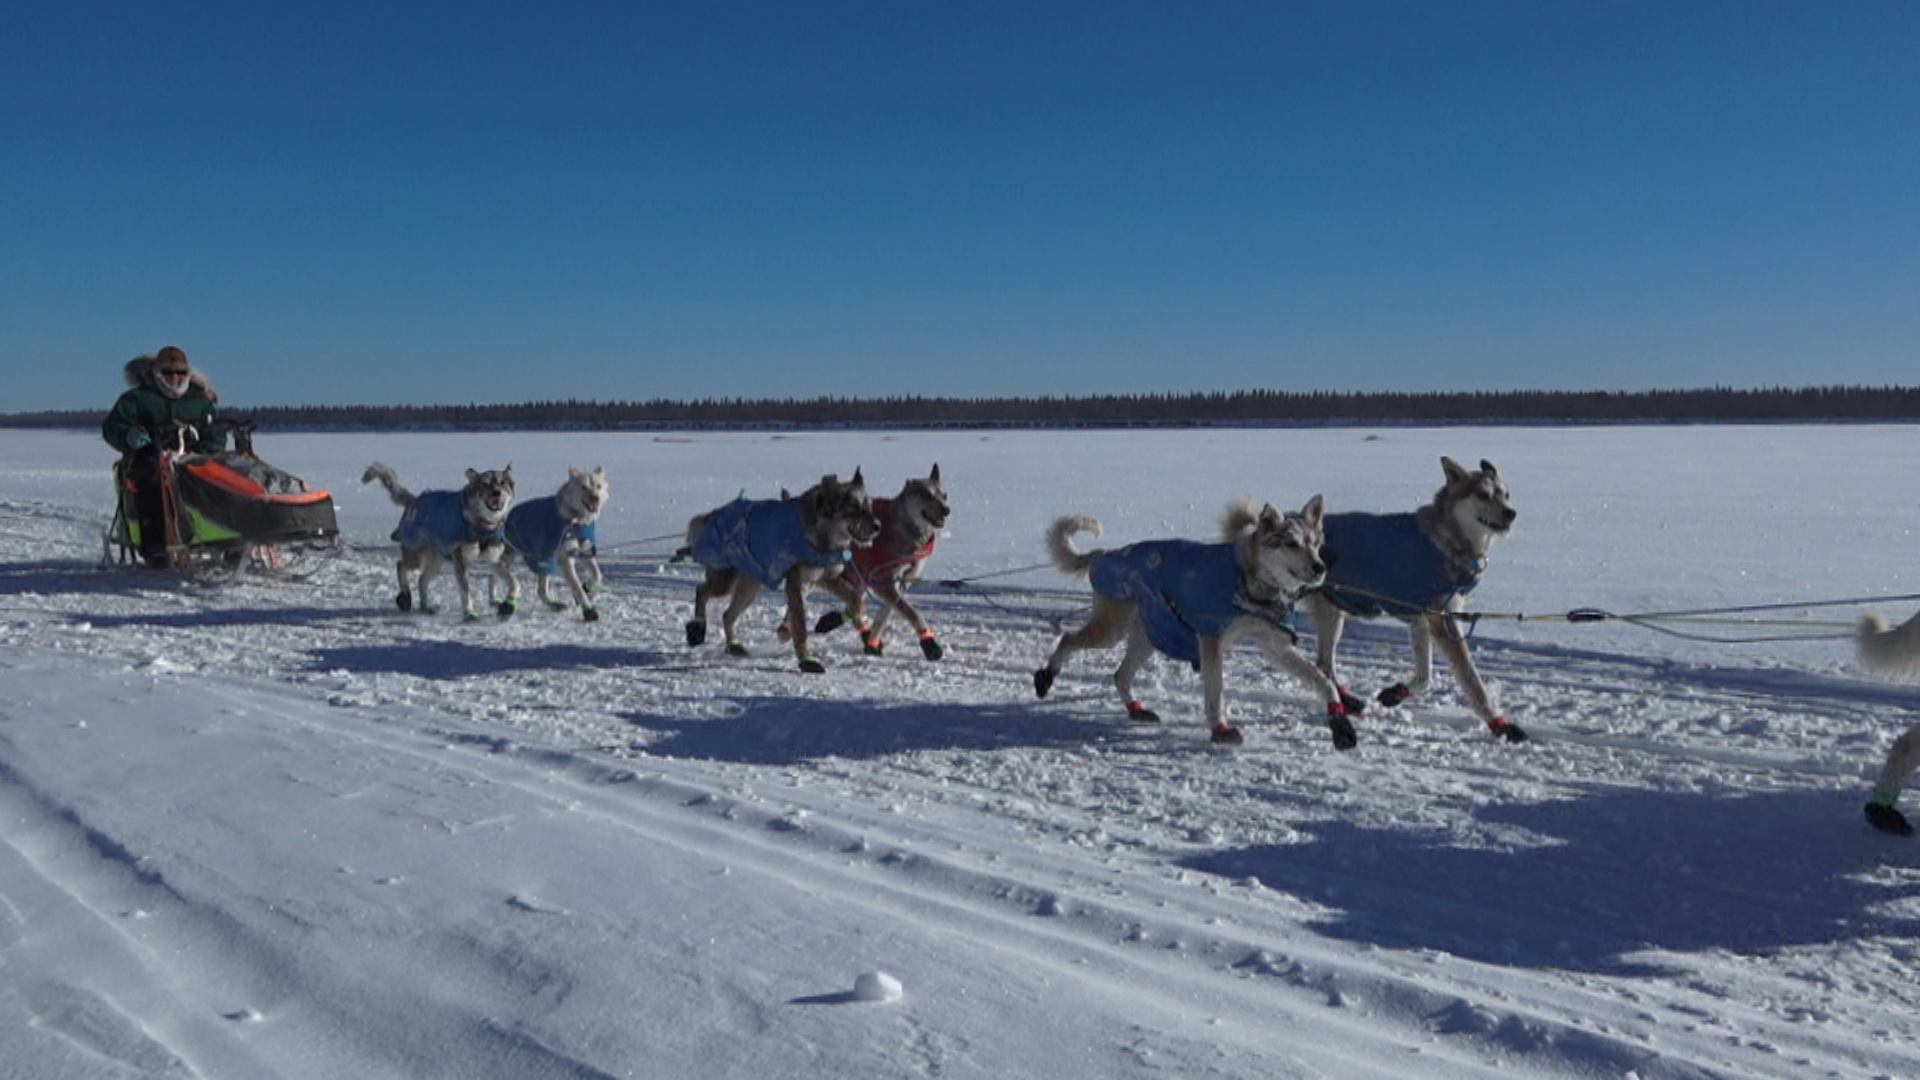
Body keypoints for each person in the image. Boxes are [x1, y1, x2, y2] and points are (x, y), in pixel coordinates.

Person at [102, 345, 227, 567]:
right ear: (157, 374)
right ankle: (155, 546)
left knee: (225, 479)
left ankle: (230, 535)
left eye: (180, 373)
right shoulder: (137, 399)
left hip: (192, 457)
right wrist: (129, 436)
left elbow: (213, 429)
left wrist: (209, 448)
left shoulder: (199, 399)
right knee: (151, 481)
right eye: (168, 373)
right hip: (150, 459)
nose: (175, 378)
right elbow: (112, 427)